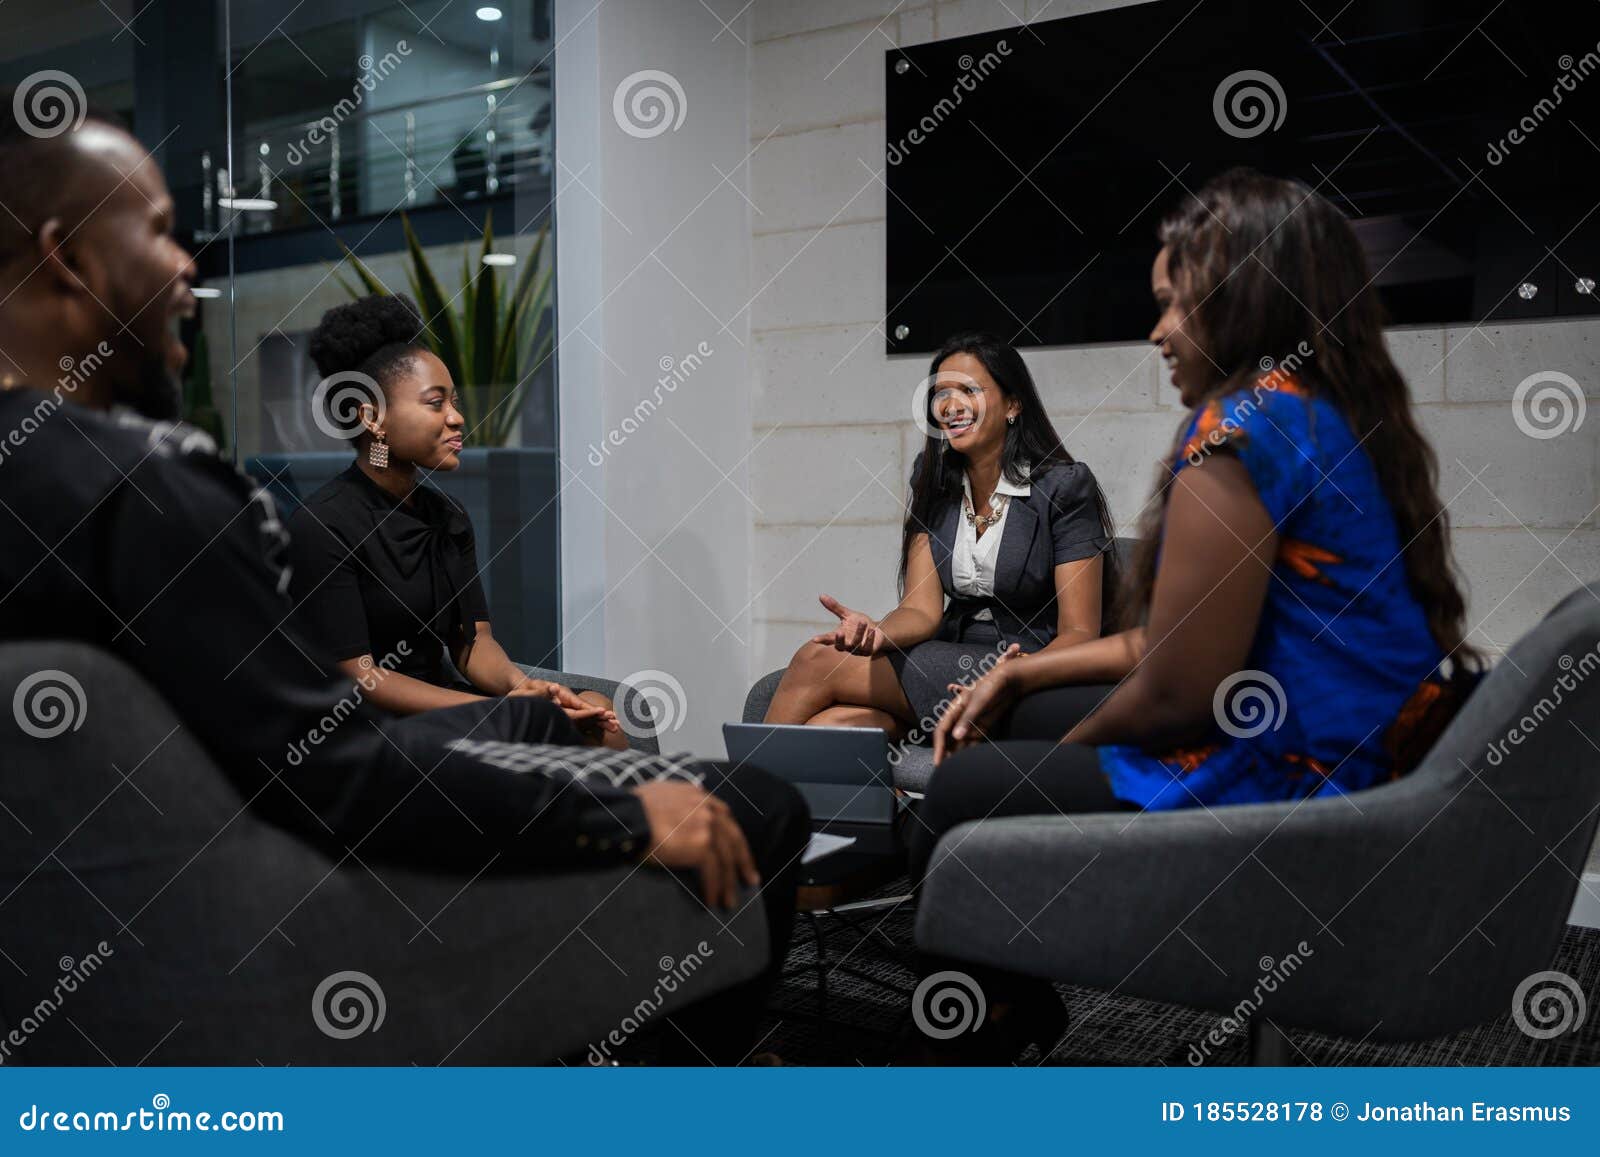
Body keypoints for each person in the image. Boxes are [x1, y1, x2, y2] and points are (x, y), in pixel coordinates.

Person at [0, 97, 806, 1063]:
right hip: (297, 912)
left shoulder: (72, 487)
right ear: (69, 258)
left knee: (561, 716)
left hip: (146, 917)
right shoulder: (153, 490)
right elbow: (333, 769)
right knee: (758, 801)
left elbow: (355, 713)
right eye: (164, 232)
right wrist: (614, 816)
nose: (188, 269)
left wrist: (531, 694)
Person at [906, 168, 1480, 1062]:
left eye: (1175, 306)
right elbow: (1180, 637)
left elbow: (1179, 687)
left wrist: (1042, 769)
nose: (1158, 333)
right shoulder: (1330, 414)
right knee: (1019, 709)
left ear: (1243, 302)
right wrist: (1019, 670)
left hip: (1284, 786)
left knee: (961, 792)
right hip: (1365, 762)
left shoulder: (1234, 429)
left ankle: (988, 1026)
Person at [285, 293, 625, 748]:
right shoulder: (323, 524)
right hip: (370, 727)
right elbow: (360, 677)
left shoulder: (447, 516)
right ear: (372, 417)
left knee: (593, 710)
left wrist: (521, 687)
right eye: (435, 403)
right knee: (549, 733)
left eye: (455, 401)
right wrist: (494, 710)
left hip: (448, 709)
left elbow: (473, 643)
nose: (457, 417)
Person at [763, 332, 1118, 746]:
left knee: (815, 662)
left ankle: (738, 802)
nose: (950, 406)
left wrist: (1011, 676)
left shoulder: (1063, 486)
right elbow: (920, 609)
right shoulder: (934, 481)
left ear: (1013, 404)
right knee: (836, 727)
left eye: (969, 390)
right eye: (941, 394)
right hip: (947, 656)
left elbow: (1079, 633)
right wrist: (877, 633)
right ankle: (885, 810)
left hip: (1023, 670)